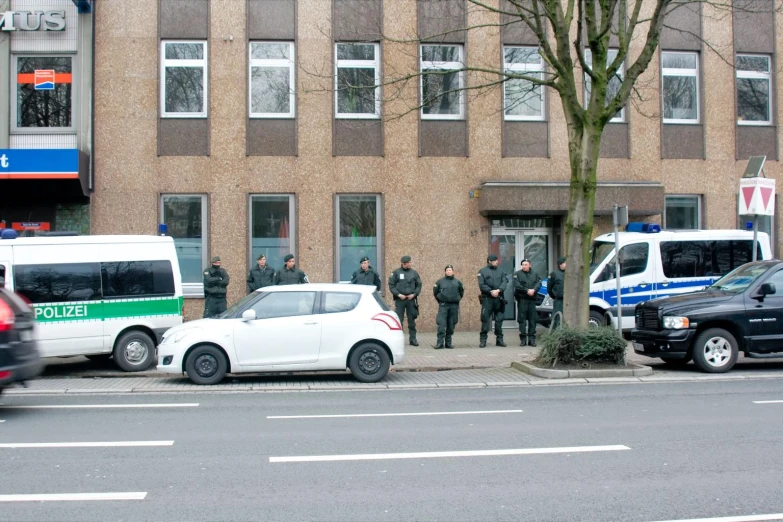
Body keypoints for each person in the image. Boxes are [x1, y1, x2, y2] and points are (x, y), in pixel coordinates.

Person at [389, 255, 422, 346]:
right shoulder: (396, 273)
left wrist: (414, 294)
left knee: (411, 320)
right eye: (407, 263)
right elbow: (391, 285)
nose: (409, 264)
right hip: (400, 300)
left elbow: (419, 285)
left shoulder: (414, 273)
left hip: (411, 299)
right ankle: (398, 340)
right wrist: (398, 294)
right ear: (403, 264)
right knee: (399, 320)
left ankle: (413, 339)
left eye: (410, 262)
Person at [478, 254, 508, 348]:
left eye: (497, 260)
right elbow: (481, 284)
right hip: (487, 299)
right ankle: (483, 341)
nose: (497, 262)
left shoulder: (501, 271)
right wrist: (491, 291)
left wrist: (498, 290)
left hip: (499, 299)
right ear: (489, 261)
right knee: (485, 320)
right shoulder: (482, 271)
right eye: (495, 260)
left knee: (499, 320)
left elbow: (504, 282)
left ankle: (499, 340)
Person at [433, 264, 464, 349]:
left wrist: (456, 299)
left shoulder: (458, 282)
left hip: (454, 306)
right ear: (445, 272)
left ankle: (448, 343)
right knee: (441, 325)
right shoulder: (440, 282)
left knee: (451, 325)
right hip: (443, 306)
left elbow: (461, 293)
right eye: (447, 270)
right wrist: (441, 299)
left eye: (450, 270)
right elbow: (435, 293)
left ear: (453, 271)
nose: (449, 272)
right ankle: (439, 343)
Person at [513, 258, 542, 346]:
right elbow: (517, 285)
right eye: (523, 265)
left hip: (532, 300)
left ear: (530, 265)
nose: (524, 266)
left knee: (532, 320)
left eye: (526, 265)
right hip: (522, 300)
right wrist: (527, 290)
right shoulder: (517, 274)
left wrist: (533, 290)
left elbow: (538, 283)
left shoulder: (535, 273)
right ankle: (523, 340)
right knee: (522, 320)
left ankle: (531, 339)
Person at [548, 256, 567, 329]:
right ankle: (556, 333)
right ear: (560, 264)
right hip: (559, 300)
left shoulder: (569, 273)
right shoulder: (554, 274)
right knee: (557, 317)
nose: (566, 264)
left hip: (568, 300)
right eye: (565, 263)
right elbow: (549, 288)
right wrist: (554, 296)